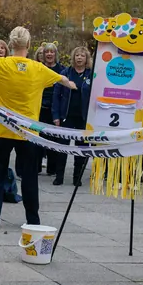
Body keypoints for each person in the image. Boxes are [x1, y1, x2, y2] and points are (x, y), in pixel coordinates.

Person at [0, 27, 76, 228]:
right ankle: (32, 219)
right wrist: (72, 84)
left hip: (1, 129)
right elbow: (63, 80)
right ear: (29, 45)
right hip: (28, 132)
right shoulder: (37, 69)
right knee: (29, 176)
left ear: (10, 45)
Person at [52, 46, 93, 186]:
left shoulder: (91, 75)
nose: (79, 58)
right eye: (77, 55)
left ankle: (77, 177)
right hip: (66, 117)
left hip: (83, 118)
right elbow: (56, 96)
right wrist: (56, 116)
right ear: (73, 58)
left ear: (86, 58)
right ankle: (59, 176)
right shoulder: (65, 73)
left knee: (81, 148)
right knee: (62, 147)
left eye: (82, 55)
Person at [35, 43, 64, 176]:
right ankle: (36, 166)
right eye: (47, 52)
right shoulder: (37, 68)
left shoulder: (62, 69)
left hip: (55, 107)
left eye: (52, 52)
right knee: (38, 138)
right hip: (39, 106)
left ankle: (52, 168)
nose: (49, 54)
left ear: (55, 54)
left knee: (53, 139)